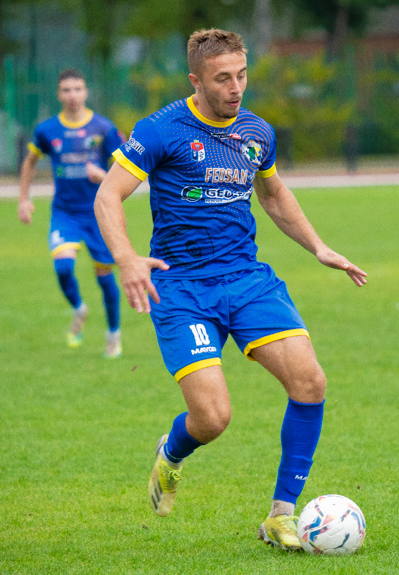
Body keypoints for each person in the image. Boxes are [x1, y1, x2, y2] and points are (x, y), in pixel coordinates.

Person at [93, 28, 367, 550]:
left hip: (246, 279)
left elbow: (274, 193)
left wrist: (319, 247)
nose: (236, 87)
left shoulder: (256, 132)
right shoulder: (160, 130)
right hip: (181, 289)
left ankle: (281, 515)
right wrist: (126, 258)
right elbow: (108, 197)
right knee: (213, 418)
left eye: (242, 75)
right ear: (195, 80)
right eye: (223, 78)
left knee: (310, 383)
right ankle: (172, 453)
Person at [18, 68, 124, 358]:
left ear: (86, 92)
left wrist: (101, 174)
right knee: (63, 267)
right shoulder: (47, 130)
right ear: (58, 94)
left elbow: (125, 172)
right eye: (66, 90)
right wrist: (24, 199)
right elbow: (29, 162)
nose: (73, 95)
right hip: (64, 212)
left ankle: (113, 334)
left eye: (78, 89)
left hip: (99, 214)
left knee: (105, 277)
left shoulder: (103, 128)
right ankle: (79, 309)